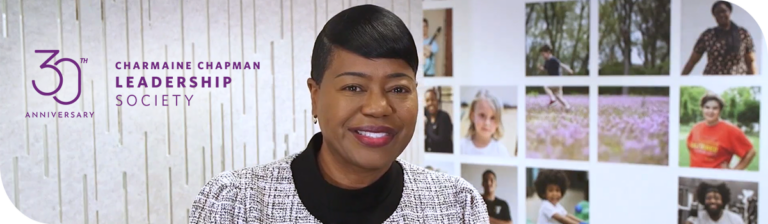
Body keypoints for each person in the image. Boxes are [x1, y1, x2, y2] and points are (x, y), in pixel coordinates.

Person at [188, 5, 489, 224]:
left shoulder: (456, 205)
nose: (378, 107)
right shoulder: (235, 203)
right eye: (354, 87)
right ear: (315, 96)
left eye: (398, 89)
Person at [682, 0, 757, 75]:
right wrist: (680, 81)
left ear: (729, 12)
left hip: (737, 81)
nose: (721, 15)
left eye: (724, 11)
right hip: (712, 81)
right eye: (717, 13)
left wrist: (755, 83)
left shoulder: (742, 34)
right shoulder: (708, 35)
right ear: (714, 16)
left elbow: (750, 61)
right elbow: (692, 61)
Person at [686, 93, 756, 170]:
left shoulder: (730, 130)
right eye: (707, 107)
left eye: (715, 108)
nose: (710, 111)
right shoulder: (696, 128)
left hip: (717, 180)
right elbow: (691, 148)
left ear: (720, 110)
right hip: (694, 178)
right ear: (702, 108)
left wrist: (735, 172)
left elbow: (751, 152)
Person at [460, 89, 510, 157]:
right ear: (472, 116)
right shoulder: (461, 147)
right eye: (482, 115)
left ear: (498, 122)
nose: (487, 123)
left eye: (492, 118)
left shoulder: (501, 152)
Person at [538, 45, 573, 111]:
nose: (543, 56)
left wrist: (568, 69)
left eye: (543, 54)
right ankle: (567, 107)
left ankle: (552, 100)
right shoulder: (547, 61)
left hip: (557, 80)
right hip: (555, 81)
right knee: (558, 96)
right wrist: (540, 68)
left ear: (548, 52)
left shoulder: (553, 59)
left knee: (546, 86)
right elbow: (544, 69)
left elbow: (561, 64)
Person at [424, 88, 454, 153]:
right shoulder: (428, 116)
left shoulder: (444, 117)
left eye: (433, 99)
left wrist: (426, 130)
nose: (430, 103)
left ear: (437, 101)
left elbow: (441, 141)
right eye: (427, 100)